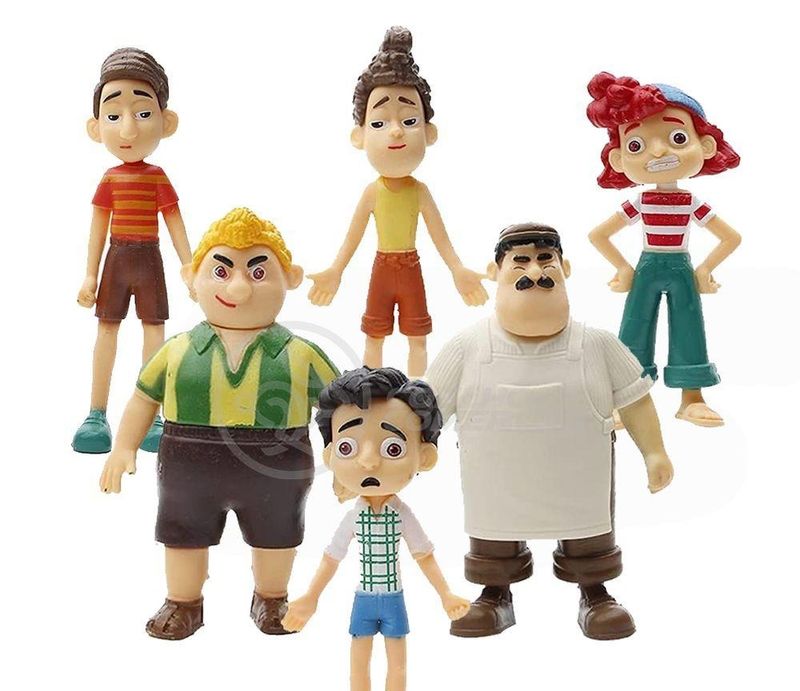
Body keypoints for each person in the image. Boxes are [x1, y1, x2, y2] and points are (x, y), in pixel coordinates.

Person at [426, 223, 674, 640]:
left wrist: (654, 452)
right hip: (495, 482)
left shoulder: (597, 344)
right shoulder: (468, 347)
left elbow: (635, 400)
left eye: (546, 260)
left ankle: (595, 592)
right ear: (495, 271)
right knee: (493, 537)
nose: (535, 271)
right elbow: (426, 407)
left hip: (579, 477)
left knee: (589, 535)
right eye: (520, 261)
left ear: (565, 269)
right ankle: (494, 593)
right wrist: (416, 448)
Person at [100, 208, 339, 640]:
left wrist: (343, 458)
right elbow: (143, 397)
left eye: (258, 272)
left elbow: (339, 409)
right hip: (188, 461)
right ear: (192, 278)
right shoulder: (177, 350)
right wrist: (123, 447)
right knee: (183, 534)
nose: (239, 287)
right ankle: (183, 601)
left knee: (276, 534)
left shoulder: (301, 354)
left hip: (277, 461)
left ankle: (271, 597)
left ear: (290, 278)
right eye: (222, 270)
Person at [282, 367, 469, 691]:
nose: (368, 461)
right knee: (358, 668)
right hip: (364, 601)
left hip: (395, 601)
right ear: (330, 455)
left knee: (397, 668)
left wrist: (446, 594)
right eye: (348, 447)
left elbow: (424, 555)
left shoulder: (402, 515)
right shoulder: (354, 516)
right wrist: (310, 597)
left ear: (425, 457)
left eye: (393, 448)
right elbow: (331, 558)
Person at [306, 26, 487, 377]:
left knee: (417, 339)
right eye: (378, 123)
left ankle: (417, 389)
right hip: (382, 269)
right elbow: (353, 237)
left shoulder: (419, 191)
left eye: (409, 120)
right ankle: (371, 389)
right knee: (374, 336)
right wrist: (335, 271)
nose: (395, 131)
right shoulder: (372, 192)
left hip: (410, 269)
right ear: (359, 136)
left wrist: (458, 269)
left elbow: (440, 236)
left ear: (429, 133)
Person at [587, 72, 741, 427]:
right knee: (634, 326)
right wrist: (623, 268)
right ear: (618, 160)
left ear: (705, 146)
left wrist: (705, 269)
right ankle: (627, 397)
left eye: (677, 138)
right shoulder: (641, 202)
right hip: (647, 268)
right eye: (636, 146)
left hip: (681, 268)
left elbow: (730, 237)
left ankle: (692, 397)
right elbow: (599, 235)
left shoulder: (690, 203)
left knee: (689, 325)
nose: (658, 151)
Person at [73, 47, 193, 454]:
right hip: (117, 260)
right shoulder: (110, 179)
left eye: (143, 113)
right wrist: (90, 275)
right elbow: (97, 227)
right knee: (107, 329)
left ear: (166, 121)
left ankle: (151, 416)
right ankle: (96, 413)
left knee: (154, 331)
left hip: (149, 260)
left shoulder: (158, 178)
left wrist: (190, 266)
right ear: (96, 127)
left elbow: (174, 222)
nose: (127, 129)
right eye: (113, 116)